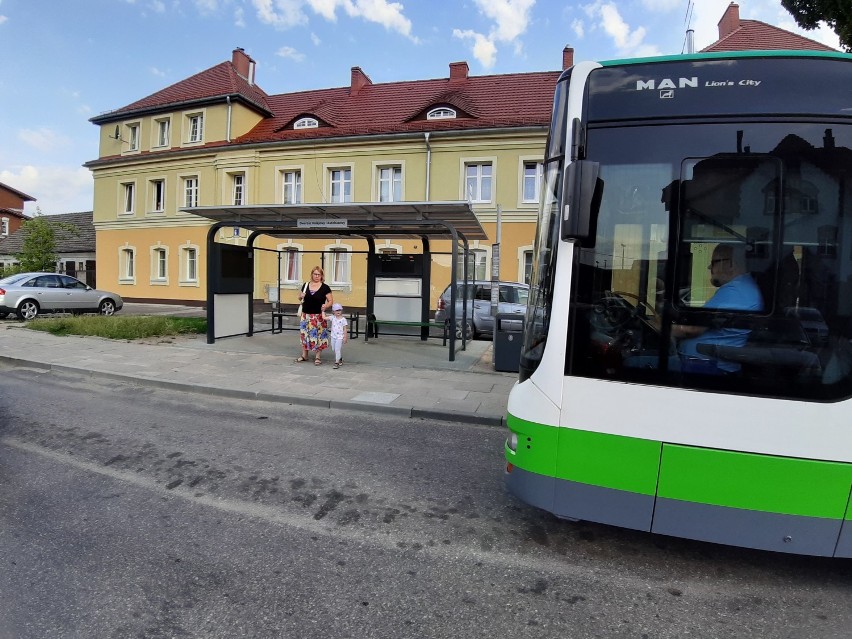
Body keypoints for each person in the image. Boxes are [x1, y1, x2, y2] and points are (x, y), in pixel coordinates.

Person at [673, 244, 764, 373]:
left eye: (714, 262)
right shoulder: (741, 287)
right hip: (706, 363)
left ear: (731, 264)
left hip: (708, 367)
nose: (709, 267)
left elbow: (692, 329)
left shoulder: (736, 291)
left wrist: (664, 327)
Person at [295, 266, 334, 366]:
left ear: (321, 276)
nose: (317, 276)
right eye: (315, 274)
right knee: (305, 335)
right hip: (306, 315)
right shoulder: (306, 285)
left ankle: (317, 357)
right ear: (312, 274)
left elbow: (330, 301)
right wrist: (300, 296)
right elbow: (299, 298)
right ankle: (305, 355)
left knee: (318, 336)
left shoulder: (325, 287)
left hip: (318, 316)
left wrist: (326, 306)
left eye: (319, 274)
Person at [327, 302, 349, 370]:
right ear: (333, 311)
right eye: (336, 310)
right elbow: (324, 317)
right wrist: (322, 310)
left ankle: (336, 363)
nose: (338, 311)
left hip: (340, 337)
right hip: (333, 336)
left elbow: (345, 329)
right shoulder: (332, 318)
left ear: (341, 311)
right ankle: (339, 358)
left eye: (339, 310)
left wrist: (345, 337)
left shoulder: (343, 320)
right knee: (333, 348)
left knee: (337, 349)